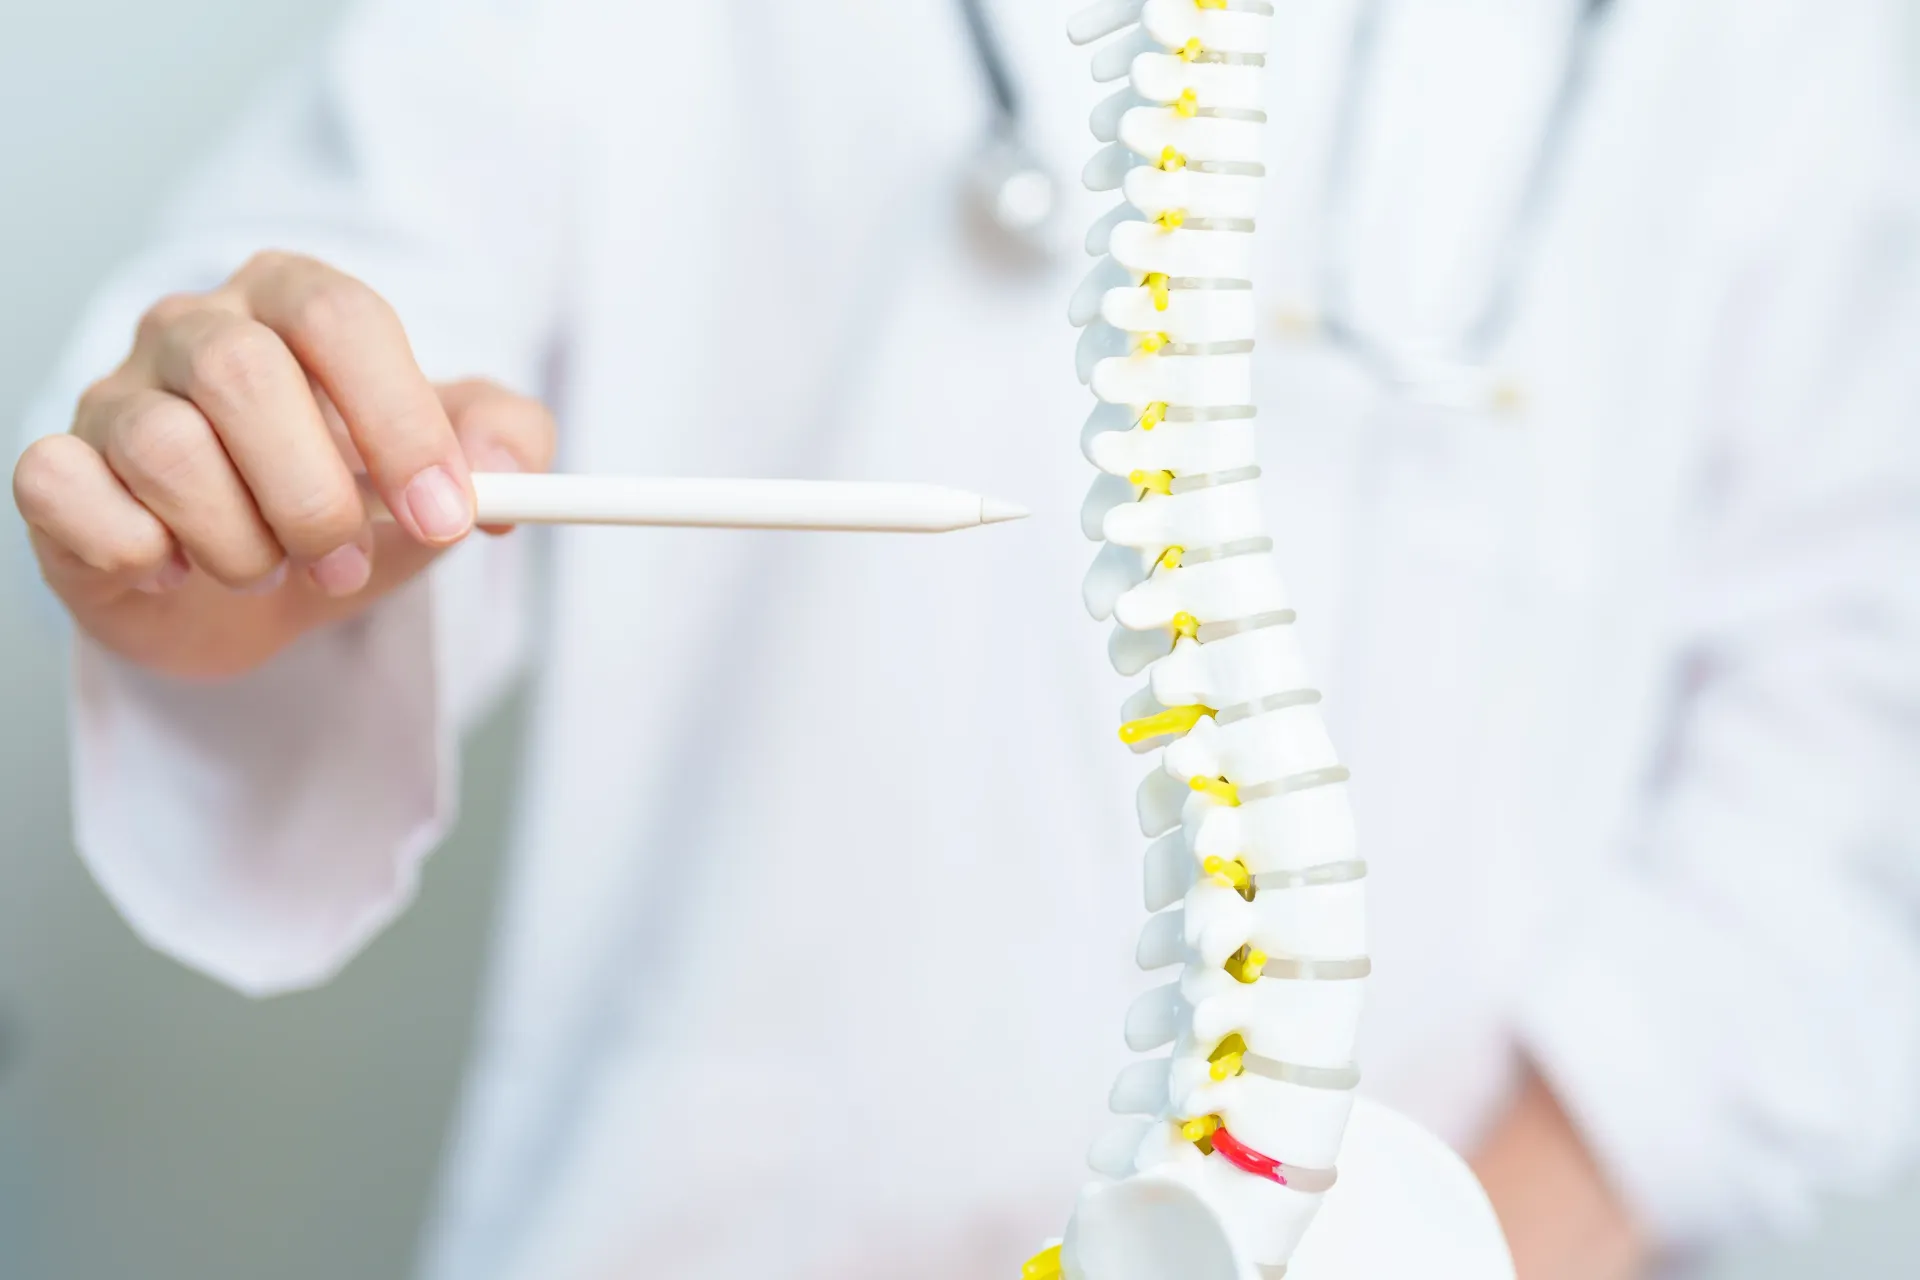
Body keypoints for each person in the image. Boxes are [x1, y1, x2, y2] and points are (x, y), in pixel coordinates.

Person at [11, 0, 1920, 1276]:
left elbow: (1856, 735)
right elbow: (327, 379)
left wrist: (1492, 1229)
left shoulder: (1791, 56)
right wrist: (246, 485)